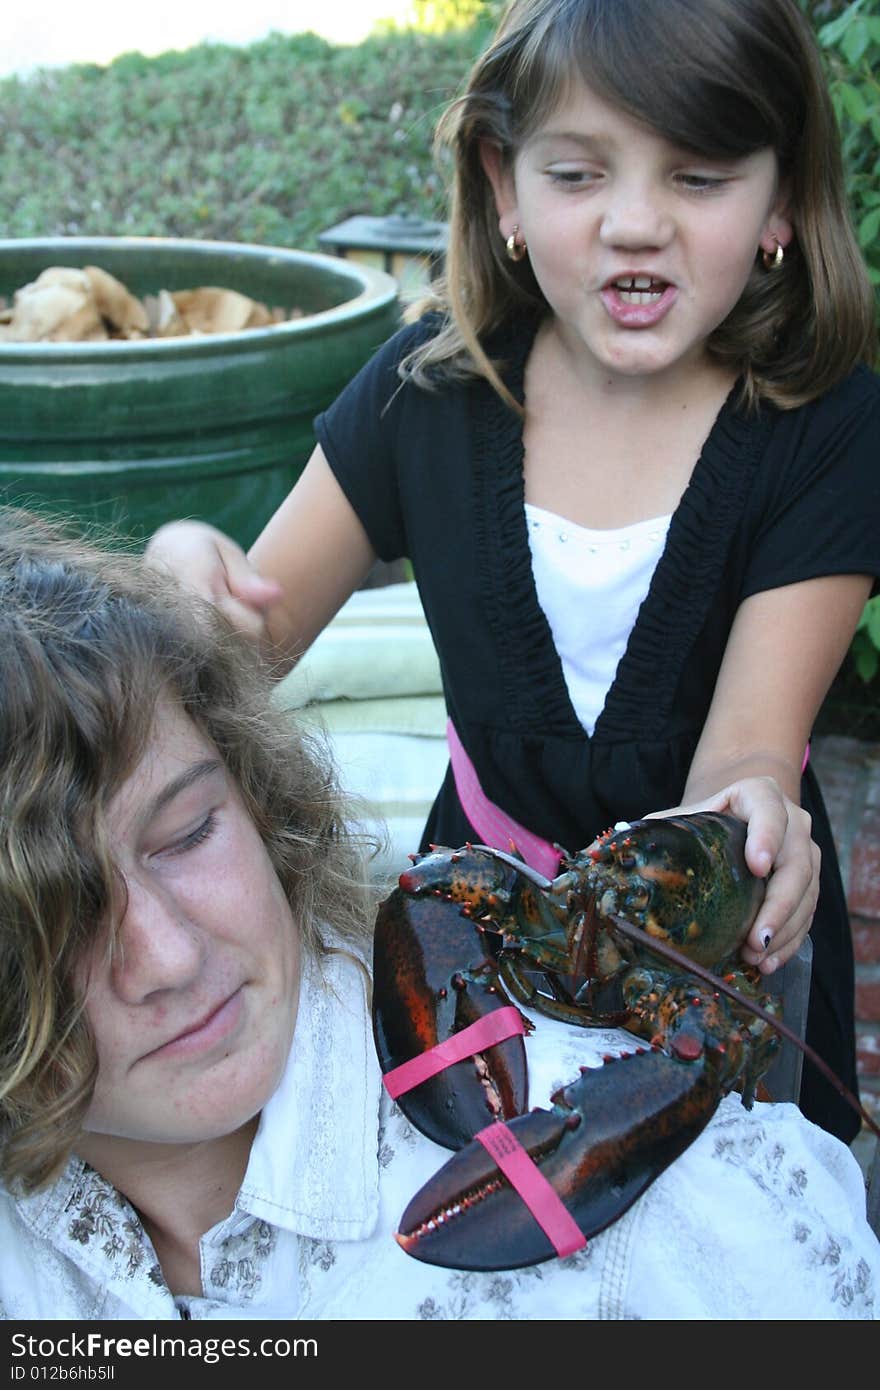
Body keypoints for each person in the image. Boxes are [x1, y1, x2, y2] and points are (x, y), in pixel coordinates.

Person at [144, 0, 880, 1146]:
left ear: (780, 199)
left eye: (699, 179)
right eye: (580, 174)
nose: (635, 224)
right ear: (503, 187)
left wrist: (752, 805)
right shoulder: (421, 390)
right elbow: (232, 651)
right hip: (468, 951)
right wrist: (182, 569)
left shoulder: (828, 427)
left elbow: (745, 745)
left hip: (718, 966)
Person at [0, 507, 878, 1322]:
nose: (170, 958)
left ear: (256, 795)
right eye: (57, 912)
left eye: (189, 833)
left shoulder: (704, 1223)